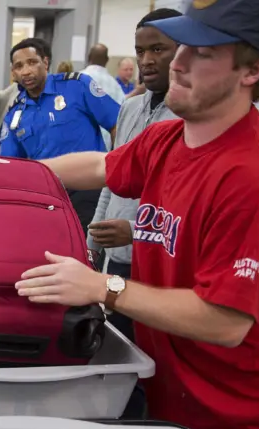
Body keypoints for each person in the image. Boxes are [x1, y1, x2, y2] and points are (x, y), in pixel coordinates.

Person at [21, 1, 259, 429]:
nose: (177, 62)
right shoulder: (173, 136)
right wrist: (4, 172)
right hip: (171, 398)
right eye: (180, 46)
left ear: (253, 71)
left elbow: (226, 321)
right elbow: (104, 167)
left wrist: (102, 288)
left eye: (202, 52)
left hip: (247, 422)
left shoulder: (255, 175)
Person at [86, 7, 181, 344]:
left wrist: (138, 232)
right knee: (119, 345)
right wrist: (92, 246)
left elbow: (184, 204)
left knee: (153, 353)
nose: (147, 60)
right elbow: (112, 180)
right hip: (120, 259)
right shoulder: (129, 108)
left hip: (160, 263)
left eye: (158, 50)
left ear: (183, 51)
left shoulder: (187, 118)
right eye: (140, 51)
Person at [0, 37, 120, 231]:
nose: (26, 71)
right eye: (19, 66)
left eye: (32, 62)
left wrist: (119, 173)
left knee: (88, 254)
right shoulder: (14, 116)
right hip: (47, 197)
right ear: (13, 73)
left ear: (45, 62)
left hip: (90, 189)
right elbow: (8, 166)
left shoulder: (77, 86)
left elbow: (116, 124)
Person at [81, 43, 125, 149]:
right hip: (104, 150)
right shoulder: (115, 86)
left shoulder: (76, 80)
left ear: (88, 57)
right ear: (107, 60)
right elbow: (122, 116)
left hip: (78, 148)